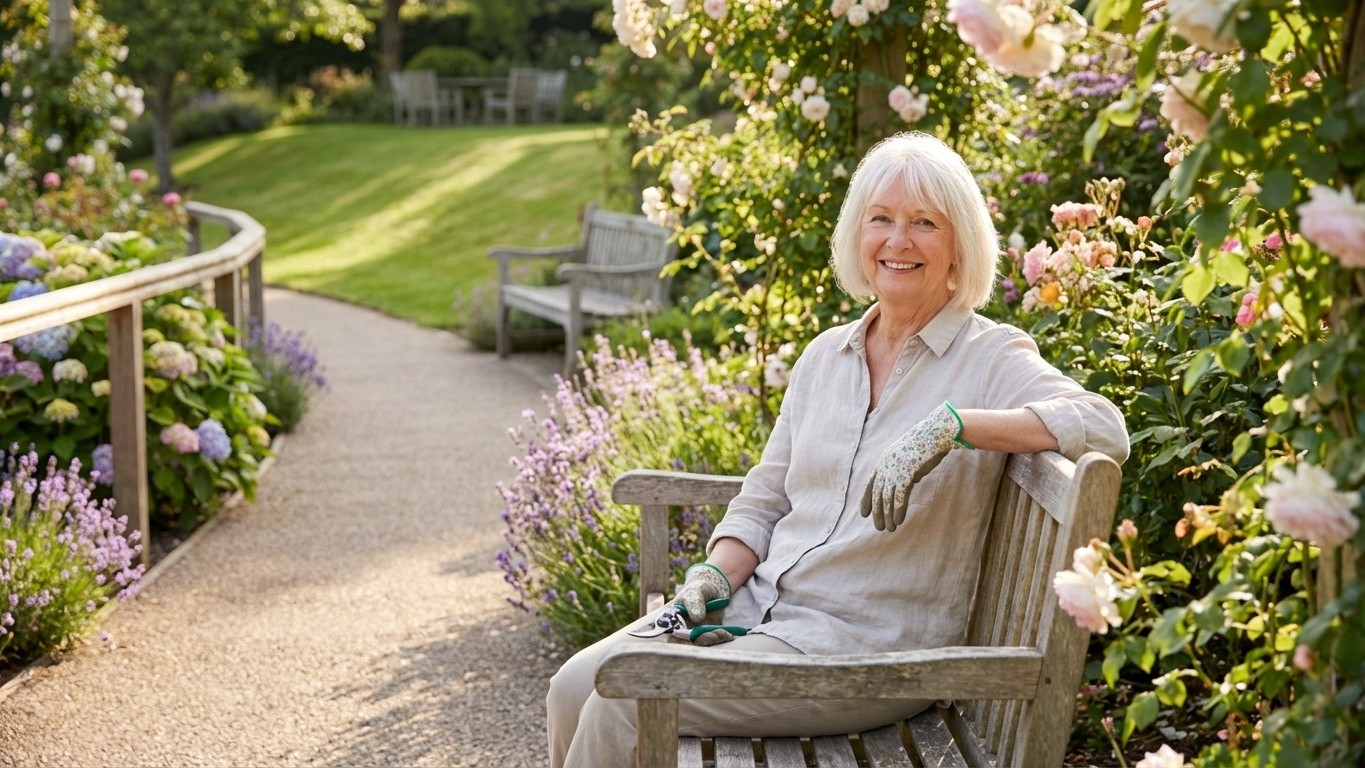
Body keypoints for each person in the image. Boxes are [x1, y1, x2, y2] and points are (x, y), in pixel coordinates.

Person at [546, 132, 1130, 767]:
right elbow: (764, 498)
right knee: (572, 685)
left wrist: (955, 425)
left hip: (860, 655)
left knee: (624, 699)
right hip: (755, 613)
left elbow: (1104, 426)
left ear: (960, 246)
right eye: (881, 219)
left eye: (924, 224)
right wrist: (712, 574)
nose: (898, 241)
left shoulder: (989, 355)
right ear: (859, 235)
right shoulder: (827, 355)